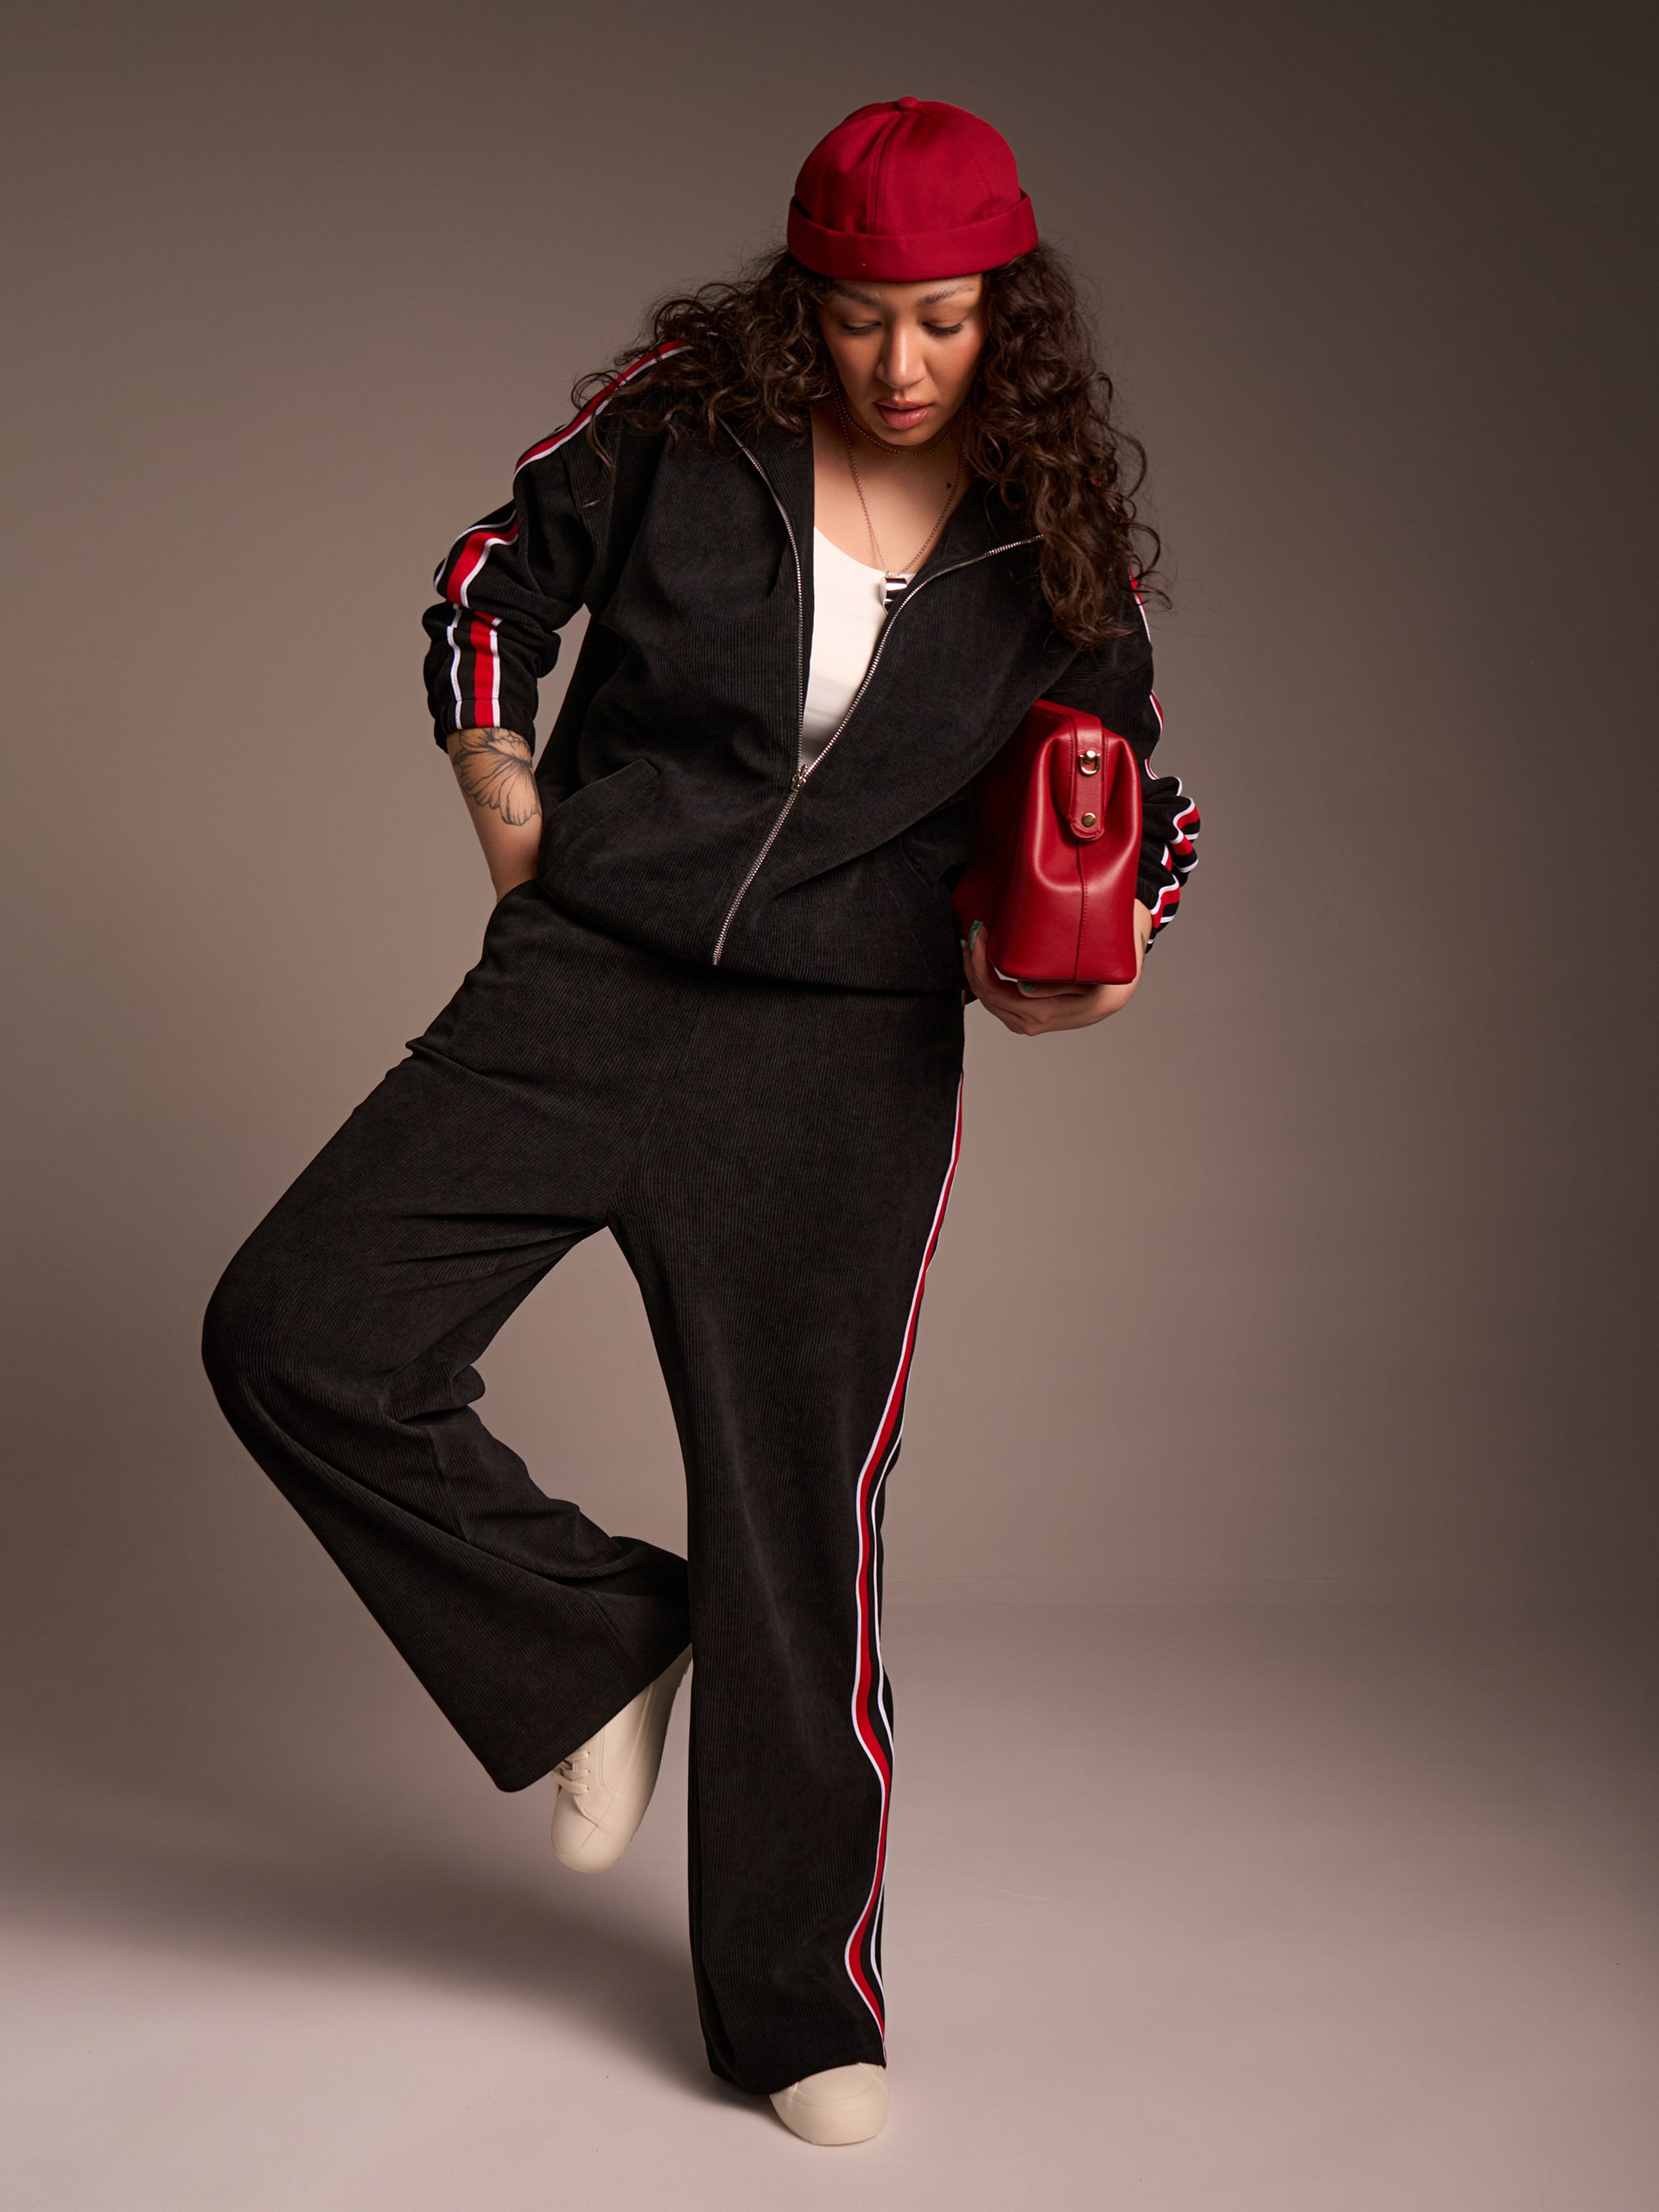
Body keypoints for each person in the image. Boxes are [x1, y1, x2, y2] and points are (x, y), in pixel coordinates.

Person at [201, 97, 1200, 2146]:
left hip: (840, 1057)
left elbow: (1130, 791)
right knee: (299, 1328)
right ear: (799, 300)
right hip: (584, 990)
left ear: (1006, 312)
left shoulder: (1054, 541)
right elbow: (489, 585)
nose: (902, 363)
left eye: (944, 320)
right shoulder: (688, 419)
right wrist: (515, 820)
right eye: (861, 317)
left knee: (797, 1526)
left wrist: (1096, 948)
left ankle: (800, 2008)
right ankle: (597, 1648)